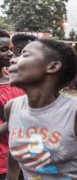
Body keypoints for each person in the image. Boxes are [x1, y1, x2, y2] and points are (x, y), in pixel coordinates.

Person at [6, 39, 77, 179]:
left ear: (52, 67)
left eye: (25, 55)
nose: (13, 60)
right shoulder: (12, 108)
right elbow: (14, 155)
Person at [0, 30, 24, 180]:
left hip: (24, 160)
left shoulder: (16, 80)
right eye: (3, 50)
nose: (10, 54)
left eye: (10, 49)